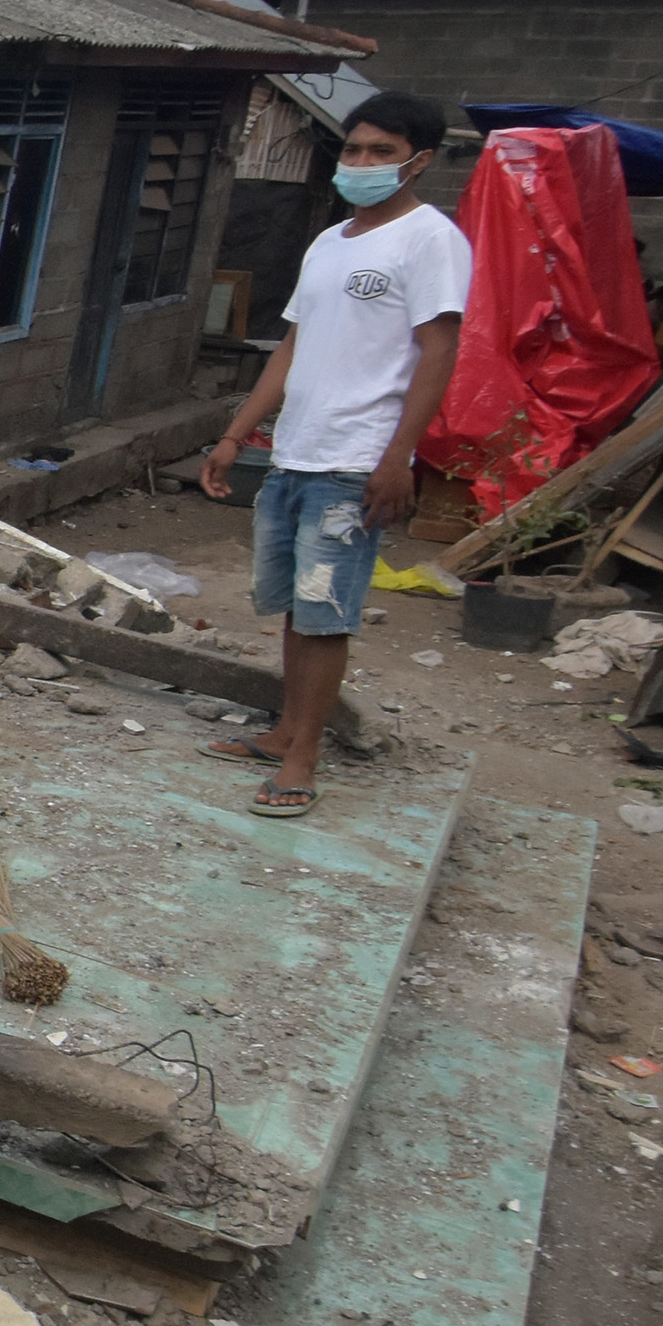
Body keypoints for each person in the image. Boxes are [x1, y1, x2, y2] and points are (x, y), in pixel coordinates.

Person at [195, 94, 471, 817]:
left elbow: (439, 351)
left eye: (382, 152)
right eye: (353, 149)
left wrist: (399, 456)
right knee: (294, 604)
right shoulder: (328, 242)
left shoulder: (429, 240)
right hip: (296, 452)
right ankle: (285, 730)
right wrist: (237, 435)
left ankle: (303, 758)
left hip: (356, 457)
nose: (362, 162)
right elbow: (292, 346)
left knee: (326, 613)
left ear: (419, 161)